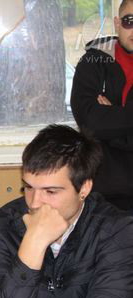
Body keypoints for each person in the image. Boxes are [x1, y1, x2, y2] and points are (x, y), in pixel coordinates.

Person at [0, 124, 133, 298]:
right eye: (28, 187)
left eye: (50, 191)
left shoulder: (116, 230)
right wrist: (32, 245)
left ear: (84, 188)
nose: (34, 202)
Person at [71, 0, 133, 211]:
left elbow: (99, 124)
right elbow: (90, 123)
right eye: (129, 21)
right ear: (117, 23)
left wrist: (110, 117)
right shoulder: (93, 63)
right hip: (100, 194)